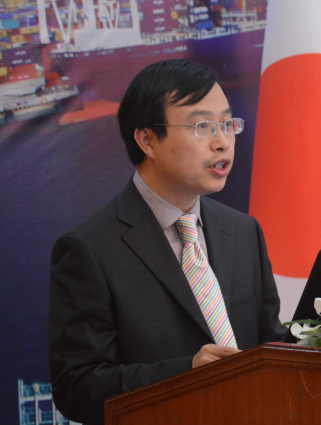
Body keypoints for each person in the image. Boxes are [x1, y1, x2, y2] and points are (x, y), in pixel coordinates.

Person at [48, 60, 288, 425]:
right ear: (147, 140)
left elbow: (272, 344)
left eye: (228, 124)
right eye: (202, 126)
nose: (223, 142)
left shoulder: (243, 231)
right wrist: (186, 374)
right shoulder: (88, 250)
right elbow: (77, 387)